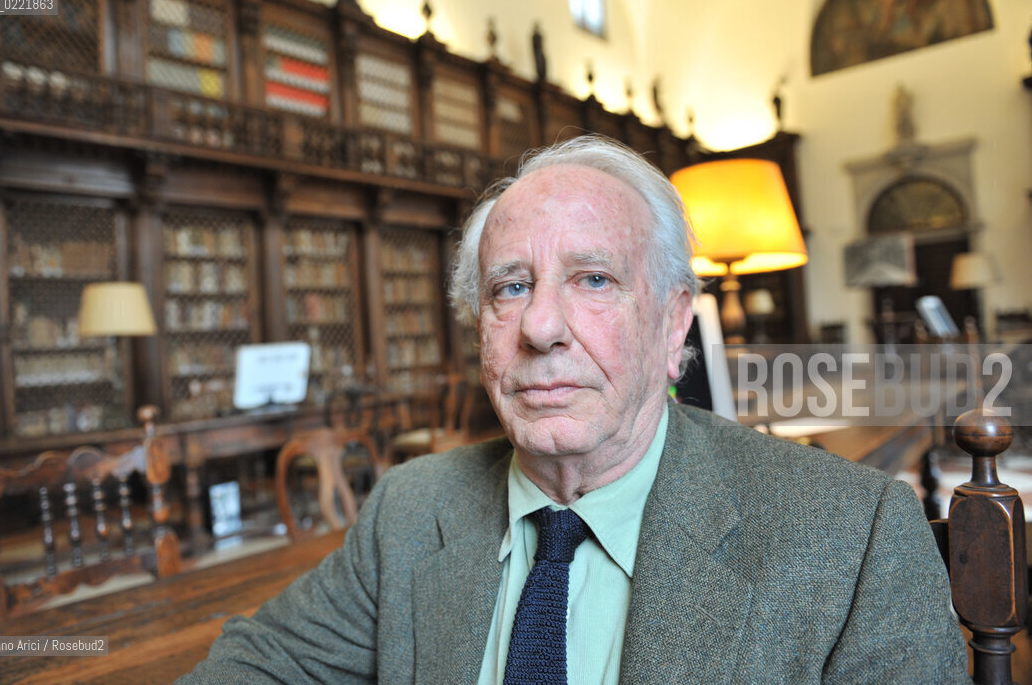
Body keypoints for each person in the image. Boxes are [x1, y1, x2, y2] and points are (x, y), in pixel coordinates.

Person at [179, 135, 970, 684]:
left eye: (593, 280)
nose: (542, 327)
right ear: (480, 328)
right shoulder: (408, 512)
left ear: (671, 325)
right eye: (510, 287)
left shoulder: (852, 539)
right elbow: (256, 663)